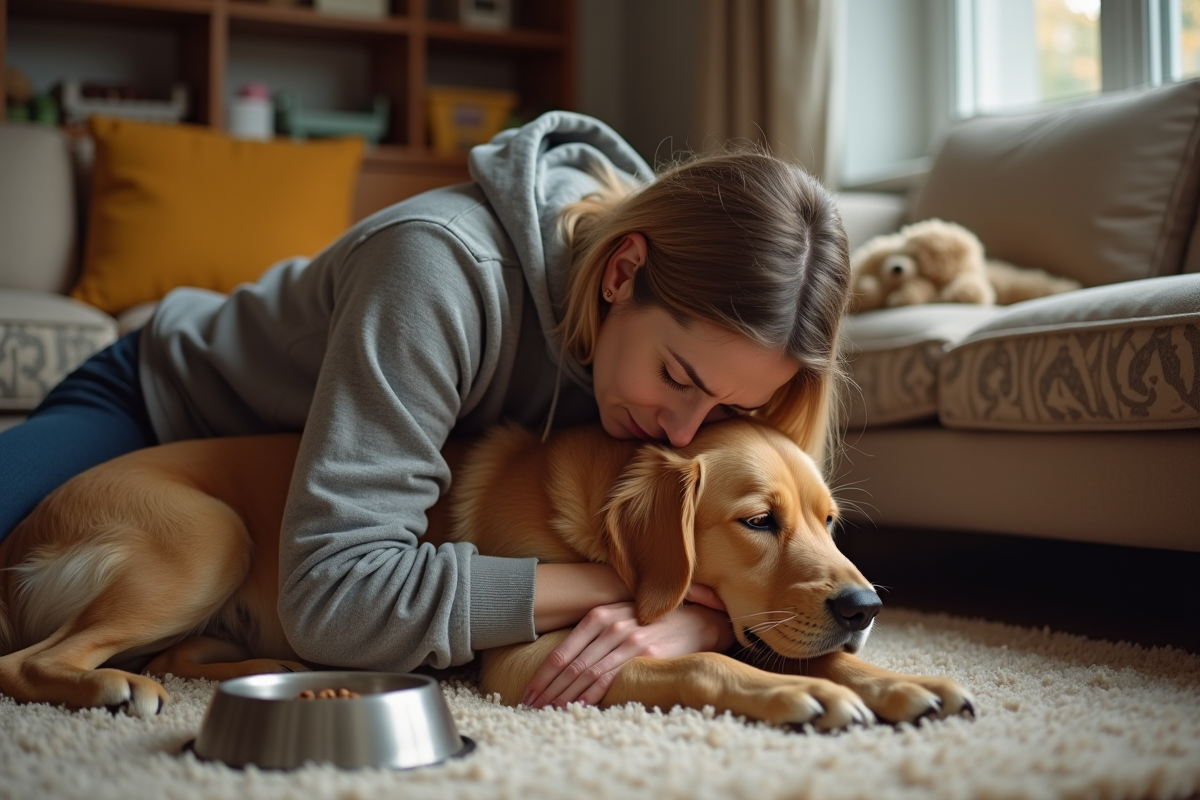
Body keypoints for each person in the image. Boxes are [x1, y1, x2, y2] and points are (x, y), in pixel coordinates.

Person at [0, 111, 851, 710]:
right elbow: (338, 595)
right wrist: (645, 592)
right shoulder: (439, 269)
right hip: (162, 406)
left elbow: (779, 566)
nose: (682, 431)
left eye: (725, 408)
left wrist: (706, 611)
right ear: (622, 273)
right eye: (677, 376)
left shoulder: (678, 396)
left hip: (279, 487)